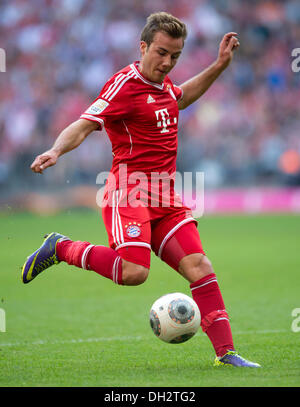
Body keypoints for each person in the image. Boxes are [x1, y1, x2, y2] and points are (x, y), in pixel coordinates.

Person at [22, 12, 260, 368]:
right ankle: (61, 247)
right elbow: (84, 124)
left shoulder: (164, 88)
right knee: (135, 272)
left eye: (175, 56)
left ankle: (226, 354)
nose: (167, 62)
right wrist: (56, 149)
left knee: (200, 266)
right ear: (143, 47)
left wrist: (220, 65)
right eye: (161, 53)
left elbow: (181, 97)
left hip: (166, 196)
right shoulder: (123, 85)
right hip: (128, 192)